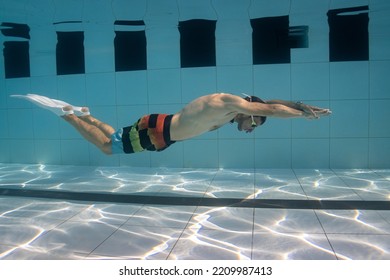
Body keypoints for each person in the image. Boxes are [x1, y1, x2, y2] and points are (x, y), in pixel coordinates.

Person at [12, 93, 331, 155]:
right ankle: (65, 114)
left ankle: (84, 113)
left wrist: (296, 104)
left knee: (115, 136)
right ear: (252, 112)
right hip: (159, 132)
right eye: (255, 125)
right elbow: (270, 108)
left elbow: (272, 104)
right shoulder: (230, 103)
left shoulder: (230, 114)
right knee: (110, 148)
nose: (250, 130)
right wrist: (302, 114)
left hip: (161, 129)